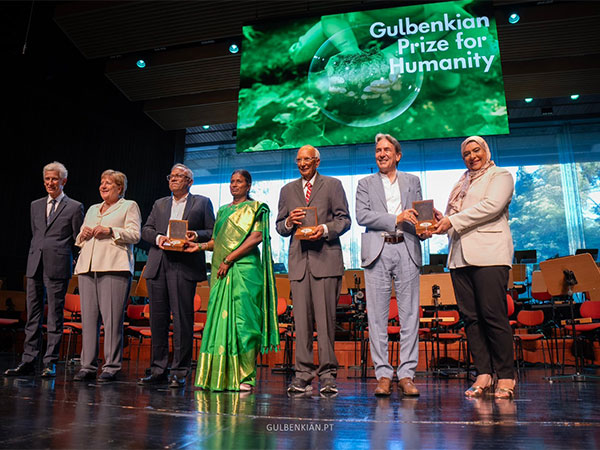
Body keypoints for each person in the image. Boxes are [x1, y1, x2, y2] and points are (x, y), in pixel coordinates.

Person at [433, 135, 516, 399]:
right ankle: (483, 374)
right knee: (471, 319)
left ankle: (505, 376)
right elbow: (454, 219)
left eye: (476, 150)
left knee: (493, 316)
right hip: (459, 258)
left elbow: (491, 207)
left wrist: (452, 221)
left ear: (486, 151)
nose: (472, 156)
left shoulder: (500, 176)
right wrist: (441, 221)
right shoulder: (461, 183)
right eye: (466, 153)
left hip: (490, 255)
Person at [185, 170, 279, 391]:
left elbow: (256, 237)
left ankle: (245, 377)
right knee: (219, 322)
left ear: (248, 185)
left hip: (245, 271)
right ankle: (218, 375)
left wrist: (229, 258)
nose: (234, 185)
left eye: (239, 182)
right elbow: (216, 241)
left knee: (246, 323)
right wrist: (197, 246)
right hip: (221, 272)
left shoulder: (257, 208)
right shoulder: (223, 210)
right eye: (231, 181)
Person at [356, 133, 430, 397]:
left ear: (398, 155)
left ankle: (407, 375)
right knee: (376, 317)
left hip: (407, 246)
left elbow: (420, 215)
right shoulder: (364, 183)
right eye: (378, 150)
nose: (382, 153)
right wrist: (395, 218)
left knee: (410, 315)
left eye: (387, 149)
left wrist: (424, 228)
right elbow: (362, 216)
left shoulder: (413, 181)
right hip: (378, 249)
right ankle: (384, 375)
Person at [276, 145, 351, 394]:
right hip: (299, 264)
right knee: (302, 323)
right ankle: (303, 375)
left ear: (317, 161)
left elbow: (344, 220)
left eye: (307, 159)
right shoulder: (287, 190)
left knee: (326, 322)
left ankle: (328, 376)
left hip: (326, 260)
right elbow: (279, 226)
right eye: (298, 159)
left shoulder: (333, 185)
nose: (302, 163)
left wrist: (325, 230)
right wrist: (289, 221)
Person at [138, 163, 215, 389]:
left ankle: (180, 371)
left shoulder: (201, 202)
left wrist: (196, 234)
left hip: (184, 265)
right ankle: (158, 370)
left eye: (179, 177)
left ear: (189, 182)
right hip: (159, 264)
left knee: (182, 320)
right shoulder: (160, 203)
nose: (173, 179)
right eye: (171, 176)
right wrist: (160, 238)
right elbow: (146, 230)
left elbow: (212, 231)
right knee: (158, 320)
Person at [4, 162, 83, 378]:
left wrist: (71, 260)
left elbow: (78, 239)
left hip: (58, 265)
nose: (50, 183)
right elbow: (36, 234)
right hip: (34, 263)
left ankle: (50, 362)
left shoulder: (75, 207)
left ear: (63, 181)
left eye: (54, 179)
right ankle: (28, 360)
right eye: (47, 179)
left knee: (55, 316)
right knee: (33, 315)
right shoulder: (35, 205)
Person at [73, 170, 141, 382]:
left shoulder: (129, 206)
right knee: (89, 319)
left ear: (119, 188)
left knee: (112, 320)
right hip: (87, 267)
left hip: (114, 266)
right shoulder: (93, 209)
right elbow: (80, 238)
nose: (103, 186)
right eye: (102, 182)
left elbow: (135, 235)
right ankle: (88, 366)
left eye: (109, 183)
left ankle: (111, 366)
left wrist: (111, 230)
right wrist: (81, 235)